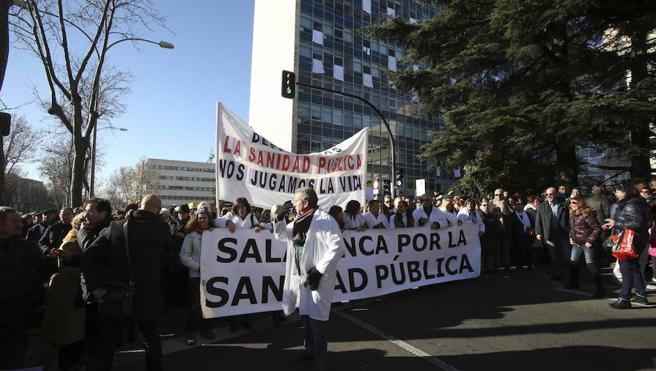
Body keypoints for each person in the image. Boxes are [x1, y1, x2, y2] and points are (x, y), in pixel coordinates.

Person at [82, 195, 171, 370]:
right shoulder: (162, 229)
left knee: (105, 344)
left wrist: (95, 287)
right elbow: (168, 261)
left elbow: (90, 255)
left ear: (140, 206)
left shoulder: (116, 227)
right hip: (149, 295)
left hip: (116, 294)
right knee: (151, 342)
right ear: (158, 210)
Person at [271, 187, 345, 371]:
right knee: (305, 317)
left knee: (318, 321)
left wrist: (319, 271)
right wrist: (278, 219)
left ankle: (321, 362)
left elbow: (337, 247)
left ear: (305, 203)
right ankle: (309, 351)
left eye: (296, 201)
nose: (294, 204)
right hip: (302, 278)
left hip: (318, 279)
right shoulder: (298, 221)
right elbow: (281, 234)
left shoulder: (325, 220)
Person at [41, 211, 87, 370]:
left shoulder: (77, 236)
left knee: (71, 331)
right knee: (69, 331)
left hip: (71, 288)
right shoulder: (74, 239)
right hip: (69, 288)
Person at [0, 207, 45, 370]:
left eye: (20, 220)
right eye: (14, 221)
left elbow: (42, 275)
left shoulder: (30, 249)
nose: (21, 224)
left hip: (21, 322)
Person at [603, 182, 651, 309]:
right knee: (634, 267)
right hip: (639, 239)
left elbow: (637, 222)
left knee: (626, 269)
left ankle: (624, 298)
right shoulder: (639, 201)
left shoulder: (631, 203)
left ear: (625, 191)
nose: (615, 193)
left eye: (617, 190)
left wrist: (616, 222)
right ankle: (641, 295)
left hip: (631, 240)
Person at [179, 209, 216, 345]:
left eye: (205, 218)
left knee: (209, 304)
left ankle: (206, 328)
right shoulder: (191, 236)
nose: (202, 220)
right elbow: (184, 256)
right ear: (196, 219)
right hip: (196, 275)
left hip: (212, 275)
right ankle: (190, 332)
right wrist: (199, 267)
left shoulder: (215, 234)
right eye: (200, 218)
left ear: (209, 219)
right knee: (195, 305)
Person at [566, 197, 604, 296]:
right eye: (570, 203)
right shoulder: (572, 214)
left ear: (580, 203)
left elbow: (597, 228)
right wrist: (571, 237)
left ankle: (600, 289)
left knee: (591, 265)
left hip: (586, 243)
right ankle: (573, 283)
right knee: (572, 263)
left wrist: (590, 241)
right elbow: (572, 228)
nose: (571, 204)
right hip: (576, 243)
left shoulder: (586, 214)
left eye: (574, 202)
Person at [535, 187, 571, 280]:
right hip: (549, 234)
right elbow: (538, 220)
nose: (548, 196)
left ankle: (569, 274)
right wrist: (538, 232)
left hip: (562, 233)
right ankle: (557, 273)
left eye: (550, 194)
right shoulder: (542, 206)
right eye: (547, 195)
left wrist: (570, 230)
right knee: (554, 255)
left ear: (556, 194)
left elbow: (569, 219)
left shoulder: (563, 205)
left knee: (567, 255)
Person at [510, 196, 536, 269]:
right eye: (517, 204)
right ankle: (519, 265)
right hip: (518, 237)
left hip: (528, 236)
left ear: (523, 205)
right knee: (518, 252)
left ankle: (530, 264)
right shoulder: (512, 216)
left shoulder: (529, 214)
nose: (519, 205)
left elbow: (533, 224)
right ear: (515, 205)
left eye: (521, 204)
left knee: (529, 251)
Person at [479, 199, 501, 273]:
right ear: (480, 206)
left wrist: (489, 222)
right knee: (482, 255)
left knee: (489, 254)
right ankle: (482, 270)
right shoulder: (479, 214)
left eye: (488, 205)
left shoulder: (491, 215)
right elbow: (483, 222)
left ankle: (489, 269)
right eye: (484, 205)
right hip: (482, 238)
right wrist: (490, 222)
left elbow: (495, 224)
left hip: (491, 238)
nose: (486, 206)